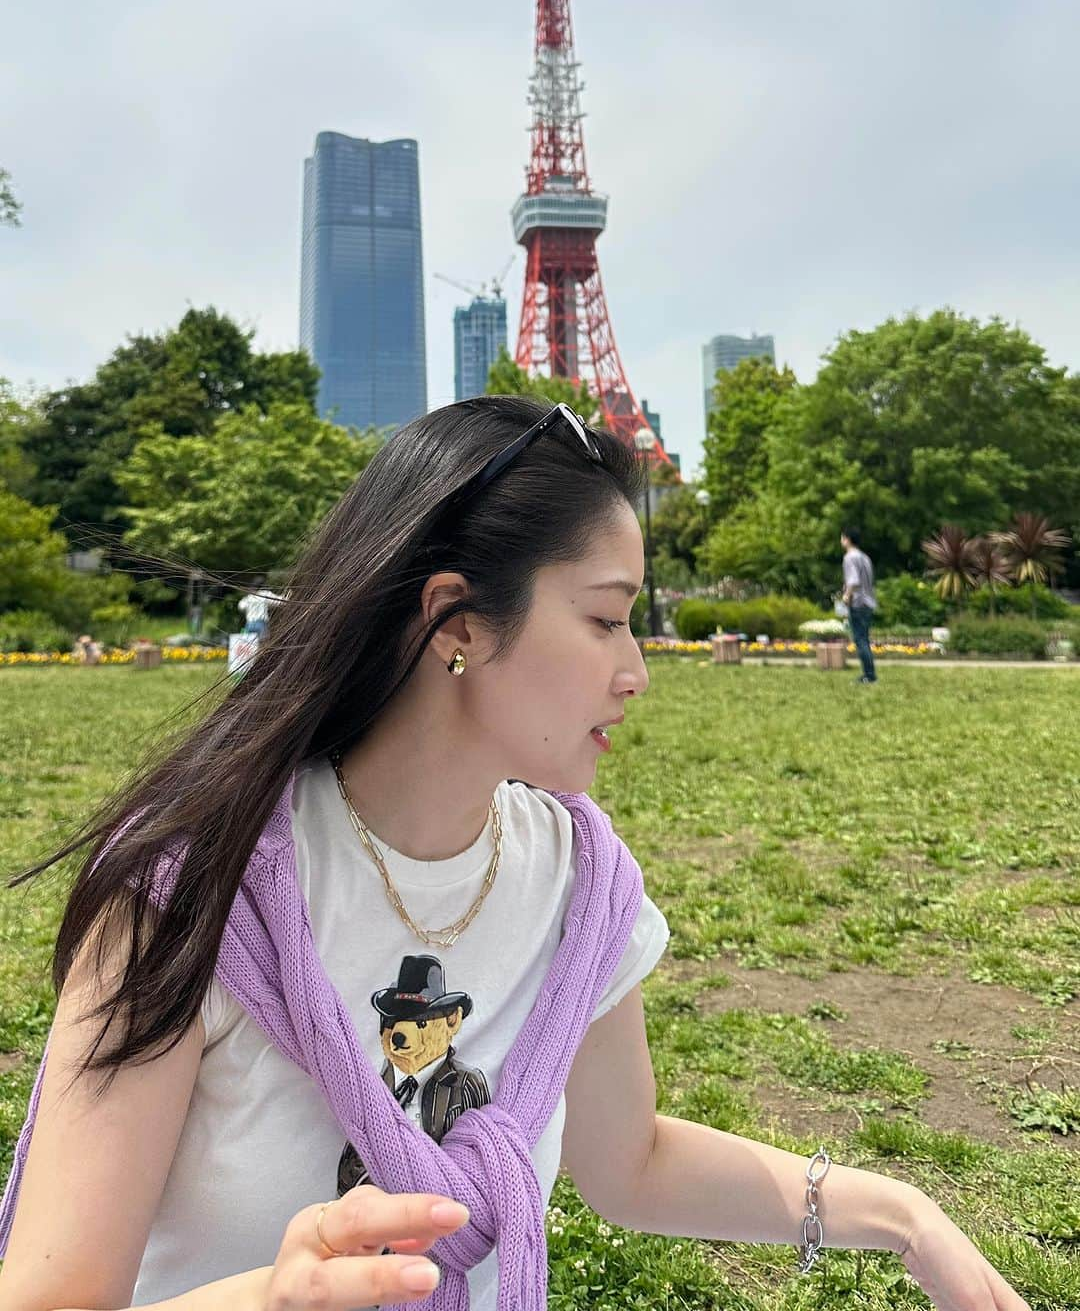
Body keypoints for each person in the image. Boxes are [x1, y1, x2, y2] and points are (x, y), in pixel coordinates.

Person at [0, 398, 1029, 1311]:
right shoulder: (194, 890)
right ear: (458, 622)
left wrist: (901, 1216)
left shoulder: (580, 884)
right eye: (605, 619)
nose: (636, 671)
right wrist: (272, 1297)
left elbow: (630, 1162)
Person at [841, 525, 878, 684]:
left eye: (842, 537)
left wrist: (847, 595)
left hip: (858, 602)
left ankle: (869, 675)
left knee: (860, 639)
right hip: (869, 601)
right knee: (864, 638)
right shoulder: (864, 557)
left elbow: (853, 581)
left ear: (847, 539)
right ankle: (870, 674)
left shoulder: (850, 557)